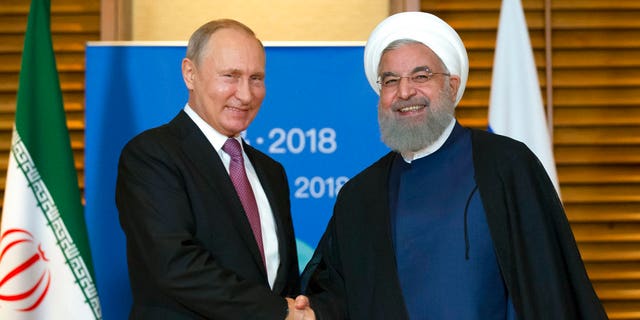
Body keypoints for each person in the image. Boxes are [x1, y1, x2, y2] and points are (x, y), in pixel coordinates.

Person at [300, 12, 608, 320]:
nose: (404, 92)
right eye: (391, 81)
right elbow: (338, 295)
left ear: (452, 85)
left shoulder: (506, 166)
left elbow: (547, 289)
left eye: (421, 76)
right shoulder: (360, 195)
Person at [116, 19, 312, 319]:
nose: (246, 95)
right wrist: (279, 311)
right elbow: (176, 265)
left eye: (256, 78)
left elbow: (281, 278)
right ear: (190, 74)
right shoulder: (151, 155)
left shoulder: (271, 171)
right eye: (230, 76)